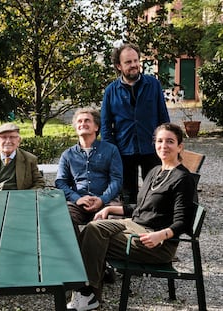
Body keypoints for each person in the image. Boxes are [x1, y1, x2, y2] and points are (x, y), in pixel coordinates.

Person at [67, 123, 196, 311]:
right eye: (160, 141)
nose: (164, 146)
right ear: (154, 144)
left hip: (155, 243)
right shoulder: (155, 171)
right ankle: (87, 293)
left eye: (170, 141)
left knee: (93, 237)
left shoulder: (183, 179)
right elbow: (141, 208)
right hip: (134, 226)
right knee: (91, 229)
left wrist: (161, 235)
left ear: (180, 146)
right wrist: (110, 210)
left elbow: (183, 221)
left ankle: (85, 293)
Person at [101, 42, 170, 204]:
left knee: (155, 193)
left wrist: (165, 144)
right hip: (124, 151)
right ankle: (130, 226)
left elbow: (163, 118)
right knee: (128, 196)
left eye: (135, 61)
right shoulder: (111, 91)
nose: (134, 65)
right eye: (128, 62)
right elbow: (105, 126)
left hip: (151, 148)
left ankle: (153, 225)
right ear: (119, 66)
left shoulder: (153, 84)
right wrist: (112, 151)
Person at [55, 108, 123, 238]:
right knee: (62, 218)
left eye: (87, 120)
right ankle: (77, 254)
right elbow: (60, 182)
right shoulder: (67, 154)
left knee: (107, 224)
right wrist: (77, 198)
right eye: (79, 121)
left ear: (96, 127)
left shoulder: (111, 150)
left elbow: (116, 180)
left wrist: (102, 199)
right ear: (76, 128)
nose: (82, 124)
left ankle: (96, 256)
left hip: (106, 201)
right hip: (78, 202)